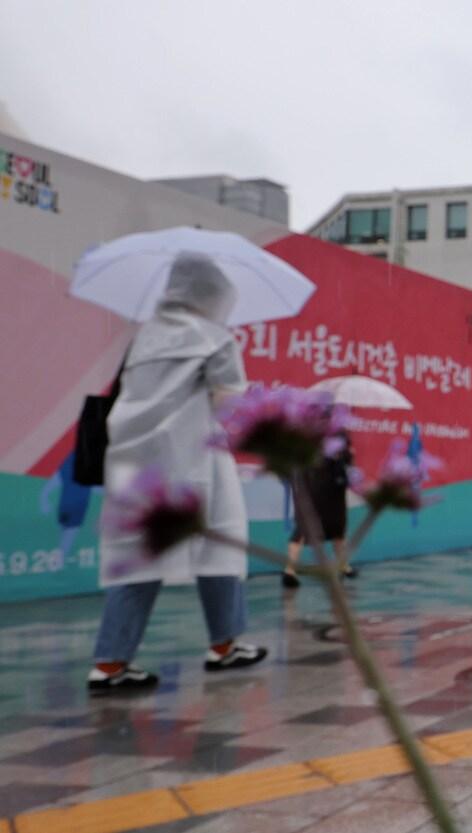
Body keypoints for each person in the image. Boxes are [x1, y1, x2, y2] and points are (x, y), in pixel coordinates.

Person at [90, 253, 267, 692]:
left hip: (134, 458)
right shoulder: (213, 337)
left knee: (138, 553)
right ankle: (224, 645)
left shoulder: (143, 338)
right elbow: (229, 402)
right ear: (214, 296)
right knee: (222, 543)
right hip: (196, 458)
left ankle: (110, 663)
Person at [282, 432, 353, 588]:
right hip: (321, 486)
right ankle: (343, 567)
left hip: (319, 486)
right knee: (332, 529)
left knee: (331, 529)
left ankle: (291, 570)